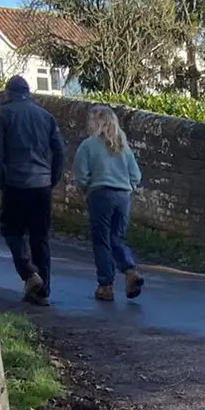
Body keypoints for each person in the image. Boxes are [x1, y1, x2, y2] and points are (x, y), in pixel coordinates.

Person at [0, 75, 65, 305]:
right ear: (28, 92)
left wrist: (1, 181)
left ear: (8, 93)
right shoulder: (45, 116)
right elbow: (59, 151)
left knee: (12, 232)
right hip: (42, 185)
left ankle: (30, 274)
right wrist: (53, 178)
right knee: (40, 237)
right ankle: (43, 290)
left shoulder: (3, 115)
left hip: (16, 183)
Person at [73, 105, 144, 302]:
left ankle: (106, 286)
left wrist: (86, 188)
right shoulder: (123, 147)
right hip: (123, 196)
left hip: (100, 194)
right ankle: (130, 271)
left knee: (102, 240)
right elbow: (136, 175)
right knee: (116, 238)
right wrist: (127, 185)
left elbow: (81, 174)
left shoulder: (88, 145)